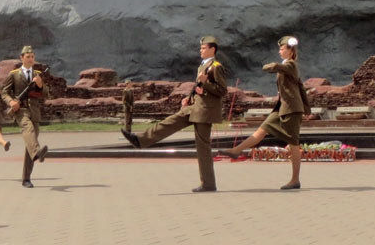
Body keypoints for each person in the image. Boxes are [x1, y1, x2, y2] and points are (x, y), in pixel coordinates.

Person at [121, 36, 228, 192]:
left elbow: (222, 91)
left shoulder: (216, 66)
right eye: (201, 48)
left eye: (204, 48)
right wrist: (190, 97)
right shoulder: (203, 65)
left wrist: (205, 84)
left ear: (213, 49)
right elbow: (200, 87)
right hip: (196, 107)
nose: (201, 50)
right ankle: (141, 140)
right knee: (170, 121)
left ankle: (209, 184)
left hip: (205, 111)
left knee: (203, 148)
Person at [218, 35, 311, 189]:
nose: (280, 51)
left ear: (290, 50)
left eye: (282, 49)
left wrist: (304, 109)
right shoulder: (287, 65)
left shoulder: (291, 65)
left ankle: (295, 180)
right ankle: (236, 150)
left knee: (293, 143)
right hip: (282, 108)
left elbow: (273, 67)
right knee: (262, 130)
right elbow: (300, 87)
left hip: (291, 110)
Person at [2, 46, 49, 188]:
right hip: (21, 110)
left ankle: (26, 178)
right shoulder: (14, 74)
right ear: (21, 58)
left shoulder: (38, 74)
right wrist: (11, 102)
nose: (30, 59)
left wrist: (40, 86)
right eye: (28, 57)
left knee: (31, 142)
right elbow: (4, 92)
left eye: (32, 57)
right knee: (28, 130)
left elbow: (46, 94)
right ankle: (37, 152)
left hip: (34, 111)